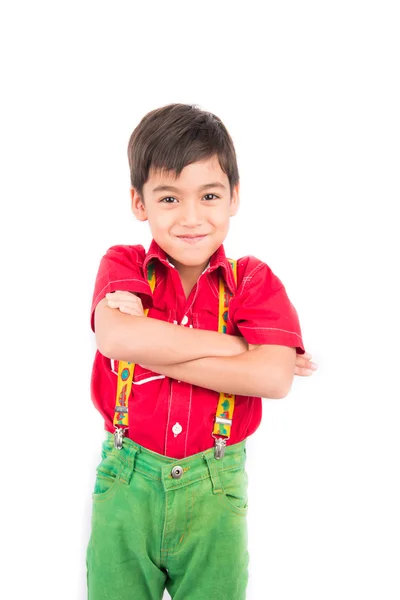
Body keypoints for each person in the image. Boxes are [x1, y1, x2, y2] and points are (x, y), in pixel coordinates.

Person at [86, 103, 317, 600]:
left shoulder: (252, 279)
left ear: (234, 196)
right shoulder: (122, 263)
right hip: (127, 480)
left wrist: (154, 340)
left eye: (209, 195)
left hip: (215, 485)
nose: (191, 218)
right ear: (139, 202)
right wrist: (240, 348)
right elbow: (117, 339)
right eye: (169, 198)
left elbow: (274, 379)